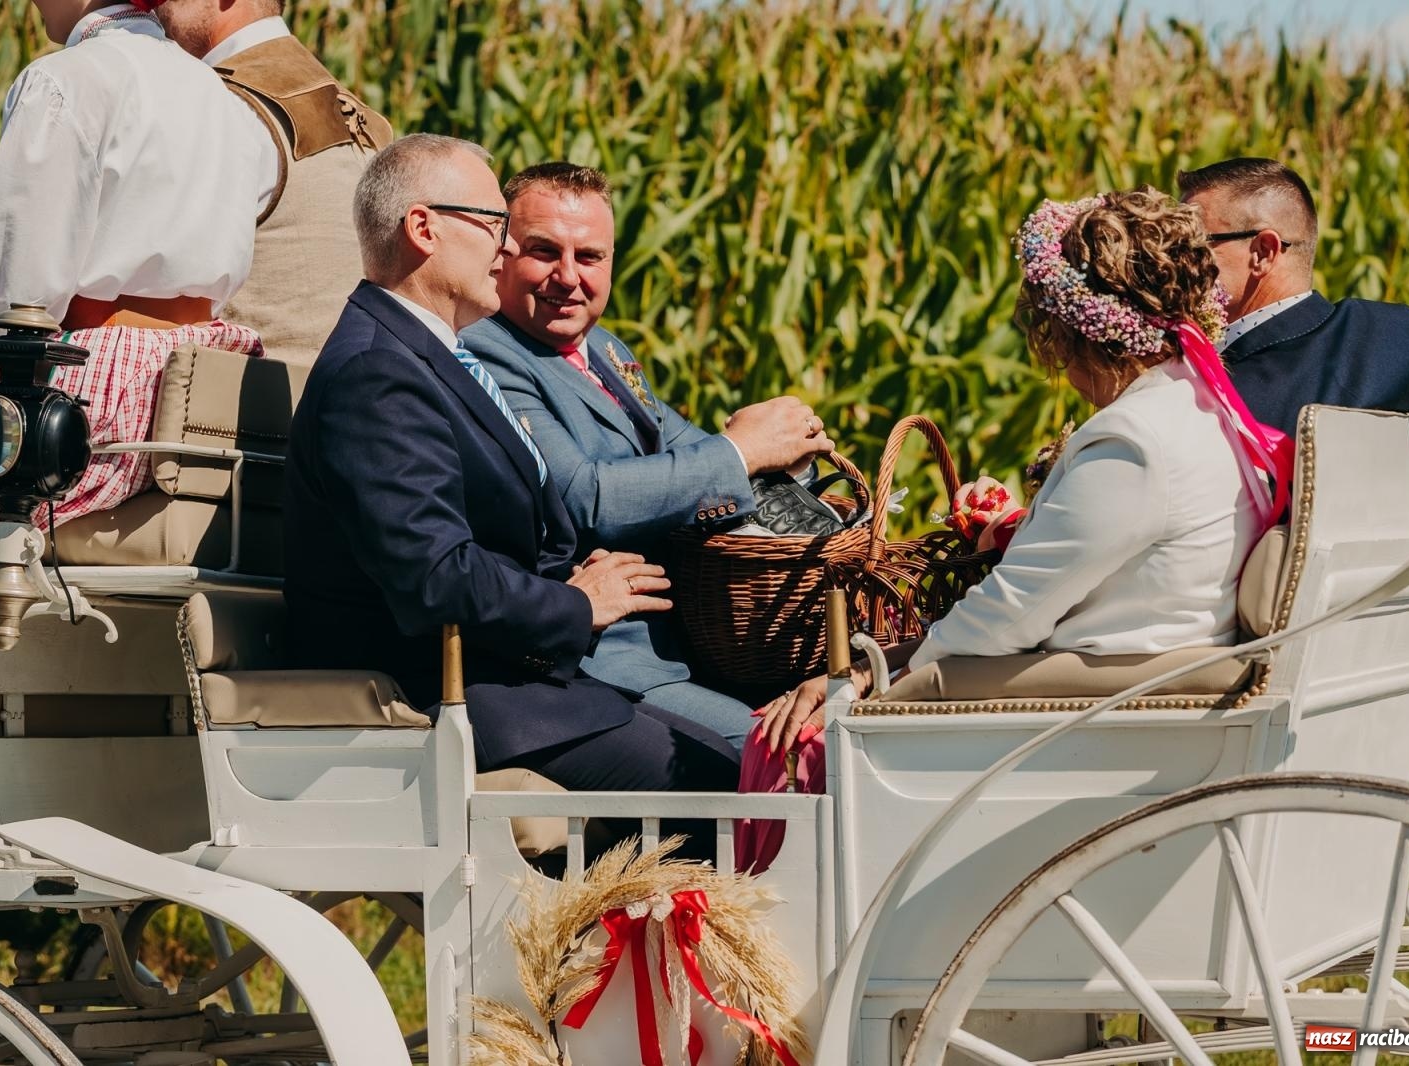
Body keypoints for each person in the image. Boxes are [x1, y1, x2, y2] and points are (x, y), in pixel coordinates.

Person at [740, 187, 1278, 871]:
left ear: (1074, 327)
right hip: (1129, 678)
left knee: (790, 736)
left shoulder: (1134, 440)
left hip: (1080, 704)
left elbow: (1009, 616)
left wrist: (876, 675)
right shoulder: (1198, 405)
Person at [0, 0, 268, 857]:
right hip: (183, 392)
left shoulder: (69, 83)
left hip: (83, 395)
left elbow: (20, 295)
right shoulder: (223, 103)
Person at [282, 135, 738, 812]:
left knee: (745, 757)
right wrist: (579, 606)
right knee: (731, 789)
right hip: (455, 691)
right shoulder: (380, 373)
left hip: (514, 680)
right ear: (424, 228)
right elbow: (437, 576)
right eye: (495, 225)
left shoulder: (426, 356)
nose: (506, 248)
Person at [461, 162, 834, 748]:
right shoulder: (486, 353)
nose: (567, 277)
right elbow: (583, 497)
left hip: (694, 644)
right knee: (781, 755)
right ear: (503, 252)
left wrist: (786, 456)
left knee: (838, 721)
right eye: (543, 252)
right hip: (598, 663)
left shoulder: (604, 348)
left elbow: (682, 446)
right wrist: (741, 452)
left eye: (589, 257)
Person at [1179, 157, 1409, 481]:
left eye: (1192, 243)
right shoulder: (1386, 338)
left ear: (1263, 252)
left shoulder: (1201, 389)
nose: (1174, 261)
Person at [157, 0, 392, 366]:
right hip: (340, 401)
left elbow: (160, 298)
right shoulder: (357, 112)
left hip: (240, 411)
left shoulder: (218, 104)